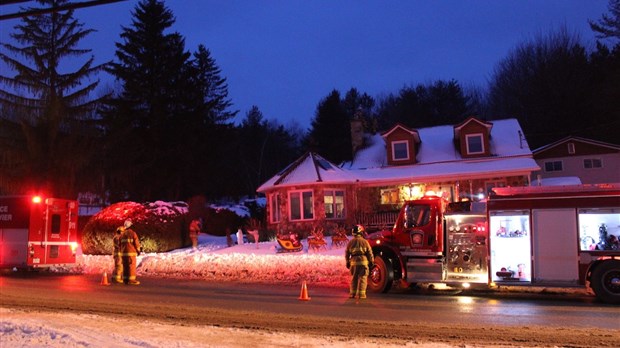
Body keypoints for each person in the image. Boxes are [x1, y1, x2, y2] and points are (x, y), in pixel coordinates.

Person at [345, 224, 374, 299]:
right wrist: (371, 262)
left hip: (353, 263)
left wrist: (347, 262)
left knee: (354, 278)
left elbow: (347, 253)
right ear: (361, 232)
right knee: (363, 279)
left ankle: (352, 294)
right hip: (363, 262)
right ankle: (362, 295)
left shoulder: (350, 242)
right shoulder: (365, 242)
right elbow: (369, 253)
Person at [120, 219, 141, 285]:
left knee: (125, 266)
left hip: (123, 253)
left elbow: (119, 244)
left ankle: (125, 279)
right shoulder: (133, 233)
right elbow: (136, 243)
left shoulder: (122, 234)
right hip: (131, 253)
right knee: (131, 266)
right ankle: (131, 280)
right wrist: (138, 250)